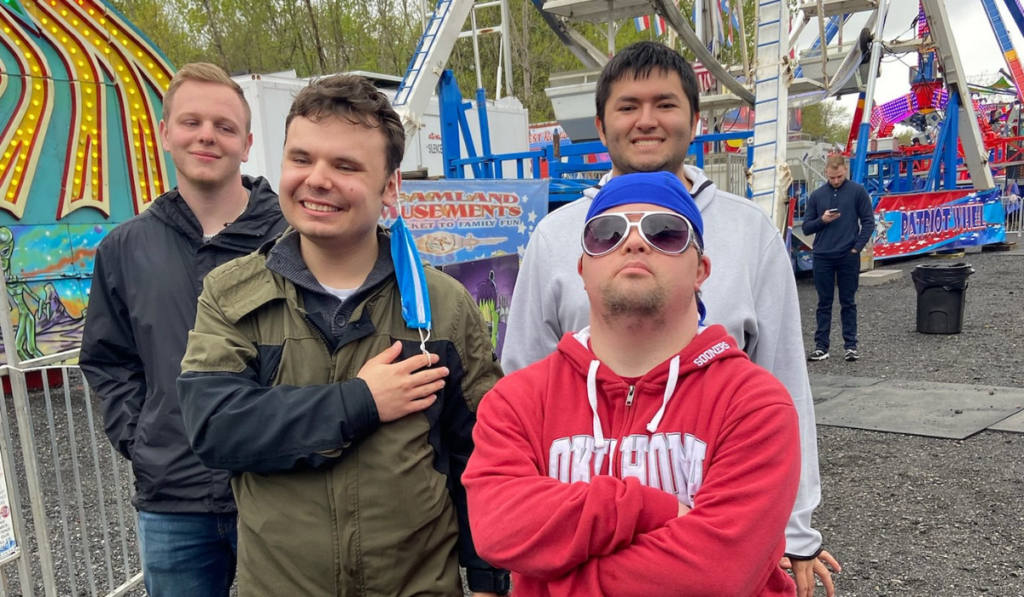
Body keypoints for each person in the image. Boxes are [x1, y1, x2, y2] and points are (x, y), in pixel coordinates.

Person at [501, 41, 840, 595]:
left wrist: (794, 530)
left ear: (692, 117)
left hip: (709, 519)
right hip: (574, 521)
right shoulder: (556, 235)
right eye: (628, 106)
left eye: (665, 104)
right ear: (603, 122)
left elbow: (782, 379)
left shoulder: (748, 231)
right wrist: (532, 536)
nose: (647, 120)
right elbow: (523, 380)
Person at [175, 74, 509, 596]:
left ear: (390, 186)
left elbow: (481, 454)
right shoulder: (231, 294)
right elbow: (216, 428)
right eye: (302, 159)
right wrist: (361, 401)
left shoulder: (441, 307)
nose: (317, 180)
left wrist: (490, 578)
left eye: (346, 166)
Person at [465, 171, 802, 595]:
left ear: (701, 270)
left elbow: (716, 574)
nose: (635, 242)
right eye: (607, 233)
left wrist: (555, 581)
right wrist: (648, 507)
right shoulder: (517, 401)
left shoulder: (755, 403)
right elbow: (498, 529)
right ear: (583, 270)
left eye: (666, 232)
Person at [79, 63, 287, 596]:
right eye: (191, 121)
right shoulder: (126, 249)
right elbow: (108, 359)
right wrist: (143, 439)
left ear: (246, 143)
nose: (206, 136)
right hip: (173, 498)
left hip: (283, 488)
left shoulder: (292, 240)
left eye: (223, 125)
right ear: (165, 131)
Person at [802, 154, 874, 362]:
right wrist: (822, 220)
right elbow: (806, 227)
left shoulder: (857, 192)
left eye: (840, 177)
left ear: (845, 171)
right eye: (832, 177)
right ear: (826, 173)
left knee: (848, 301)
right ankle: (821, 346)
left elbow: (868, 221)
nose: (836, 181)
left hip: (847, 255)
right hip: (823, 255)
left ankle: (850, 346)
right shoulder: (817, 196)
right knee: (823, 302)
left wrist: (857, 247)